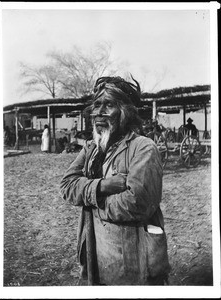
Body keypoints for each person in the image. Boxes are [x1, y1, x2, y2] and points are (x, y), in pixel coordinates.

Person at [60, 76, 171, 286]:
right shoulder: (92, 148)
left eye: (109, 105)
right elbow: (67, 186)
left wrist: (91, 201)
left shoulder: (143, 148)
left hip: (132, 258)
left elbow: (138, 204)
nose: (99, 112)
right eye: (97, 105)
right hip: (96, 252)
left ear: (125, 112)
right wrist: (103, 186)